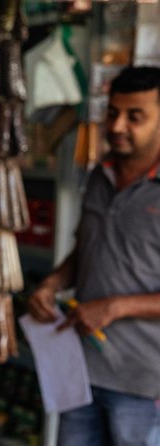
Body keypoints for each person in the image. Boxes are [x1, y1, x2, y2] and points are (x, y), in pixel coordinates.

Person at [28, 65, 160, 446]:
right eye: (114, 113)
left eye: (135, 117)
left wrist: (115, 306)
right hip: (80, 369)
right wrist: (53, 283)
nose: (118, 126)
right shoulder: (99, 176)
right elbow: (88, 250)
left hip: (143, 381)